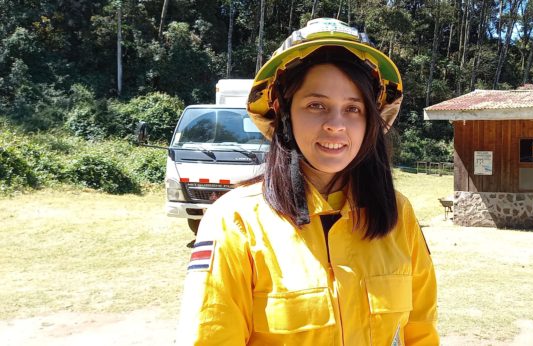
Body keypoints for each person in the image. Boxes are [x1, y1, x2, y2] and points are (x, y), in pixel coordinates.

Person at [175, 18, 438, 345]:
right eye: (317, 105)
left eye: (353, 108)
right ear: (283, 110)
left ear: (370, 119)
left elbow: (421, 333)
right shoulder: (233, 222)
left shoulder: (398, 215)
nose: (335, 124)